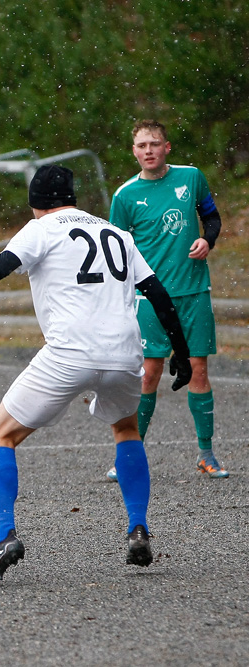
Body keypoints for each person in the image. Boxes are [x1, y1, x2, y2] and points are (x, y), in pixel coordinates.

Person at [0, 165, 192, 587]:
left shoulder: (42, 228)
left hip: (70, 352)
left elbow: (1, 266)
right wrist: (180, 351)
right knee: (127, 429)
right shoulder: (116, 233)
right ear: (73, 196)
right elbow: (158, 293)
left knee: (0, 436)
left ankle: (4, 537)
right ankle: (138, 527)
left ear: (36, 202)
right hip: (126, 352)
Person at [105, 119, 227, 481]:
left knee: (199, 371)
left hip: (193, 293)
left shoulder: (191, 178)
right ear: (134, 151)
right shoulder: (124, 196)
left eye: (154, 144)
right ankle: (129, 456)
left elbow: (212, 218)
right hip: (149, 298)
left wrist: (209, 240)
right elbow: (116, 253)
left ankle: (206, 453)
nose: (148, 151)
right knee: (149, 374)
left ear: (166, 147)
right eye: (142, 146)